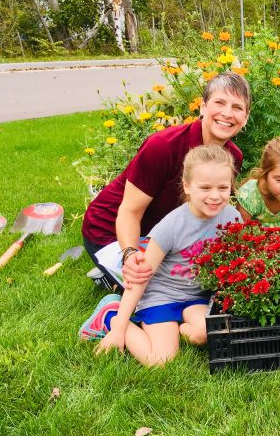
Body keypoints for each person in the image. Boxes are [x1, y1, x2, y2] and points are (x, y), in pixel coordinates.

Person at [81, 72, 250, 293]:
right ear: (202, 107)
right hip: (110, 229)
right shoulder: (162, 146)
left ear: (246, 117)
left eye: (237, 107)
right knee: (159, 294)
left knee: (196, 287)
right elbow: (130, 212)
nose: (227, 113)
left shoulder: (233, 157)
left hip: (163, 237)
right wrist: (130, 254)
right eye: (219, 102)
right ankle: (109, 280)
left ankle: (115, 273)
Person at [79, 145, 242, 366]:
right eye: (205, 187)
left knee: (204, 334)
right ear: (187, 186)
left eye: (223, 187)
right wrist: (118, 330)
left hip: (197, 297)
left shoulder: (232, 218)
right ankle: (112, 315)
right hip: (161, 296)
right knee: (160, 361)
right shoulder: (171, 225)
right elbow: (140, 277)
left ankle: (175, 328)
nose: (215, 196)